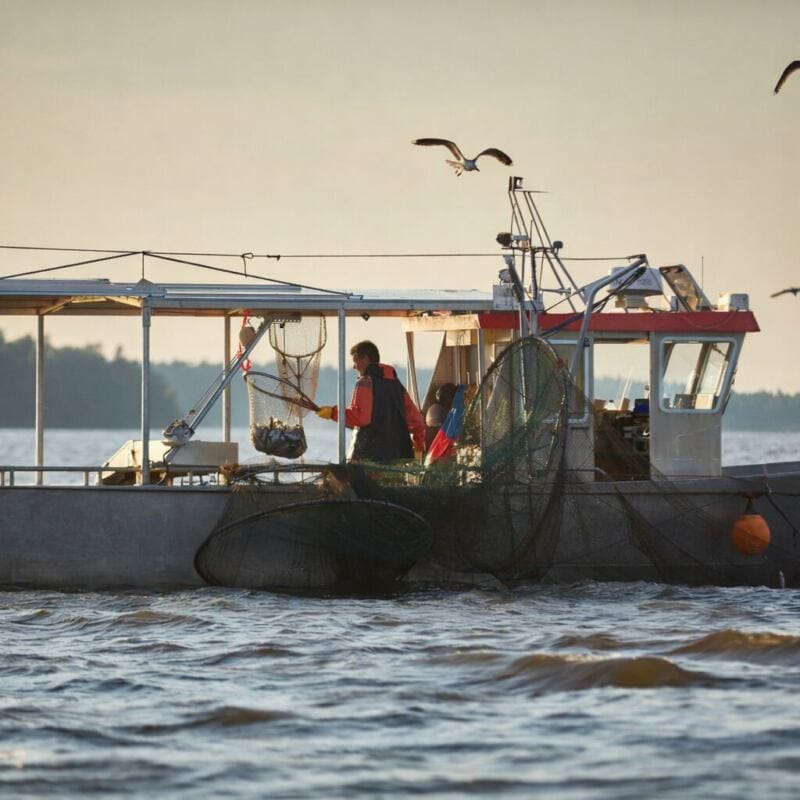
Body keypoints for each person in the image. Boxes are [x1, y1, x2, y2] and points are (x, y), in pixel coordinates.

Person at [316, 340, 426, 462]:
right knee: (393, 482)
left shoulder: (365, 382)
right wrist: (418, 445)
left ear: (365, 359)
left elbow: (361, 419)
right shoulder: (397, 386)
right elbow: (417, 421)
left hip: (369, 458)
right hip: (398, 458)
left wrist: (333, 413)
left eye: (355, 361)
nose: (354, 366)